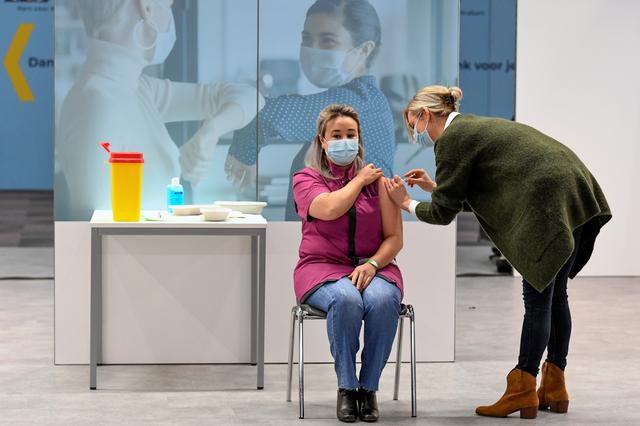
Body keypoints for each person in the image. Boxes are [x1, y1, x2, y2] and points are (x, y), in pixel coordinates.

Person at [385, 85, 611, 419]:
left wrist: (405, 202)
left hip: (547, 200)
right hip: (575, 188)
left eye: (413, 124)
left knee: (538, 300)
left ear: (426, 114)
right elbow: (479, 190)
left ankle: (523, 387)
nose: (416, 133)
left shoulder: (451, 139)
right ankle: (554, 385)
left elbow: (443, 214)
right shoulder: (470, 127)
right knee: (557, 296)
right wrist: (435, 187)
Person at [57, 0, 262, 220]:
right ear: (146, 7)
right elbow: (99, 229)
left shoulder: (136, 88)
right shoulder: (98, 104)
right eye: (168, 5)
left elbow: (251, 97)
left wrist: (212, 130)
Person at [225, 0, 395, 220]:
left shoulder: (361, 100)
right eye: (307, 39)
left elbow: (266, 115)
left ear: (364, 50)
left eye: (327, 41)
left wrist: (244, 153)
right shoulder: (363, 101)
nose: (313, 50)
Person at [293, 104, 403, 423]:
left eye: (350, 135)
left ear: (359, 138)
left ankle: (368, 389)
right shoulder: (306, 179)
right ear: (322, 141)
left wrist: (373, 264)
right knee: (346, 298)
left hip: (374, 267)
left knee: (383, 300)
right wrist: (358, 180)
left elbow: (394, 238)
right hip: (321, 268)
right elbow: (329, 209)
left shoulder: (379, 183)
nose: (344, 141)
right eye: (336, 135)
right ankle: (346, 387)